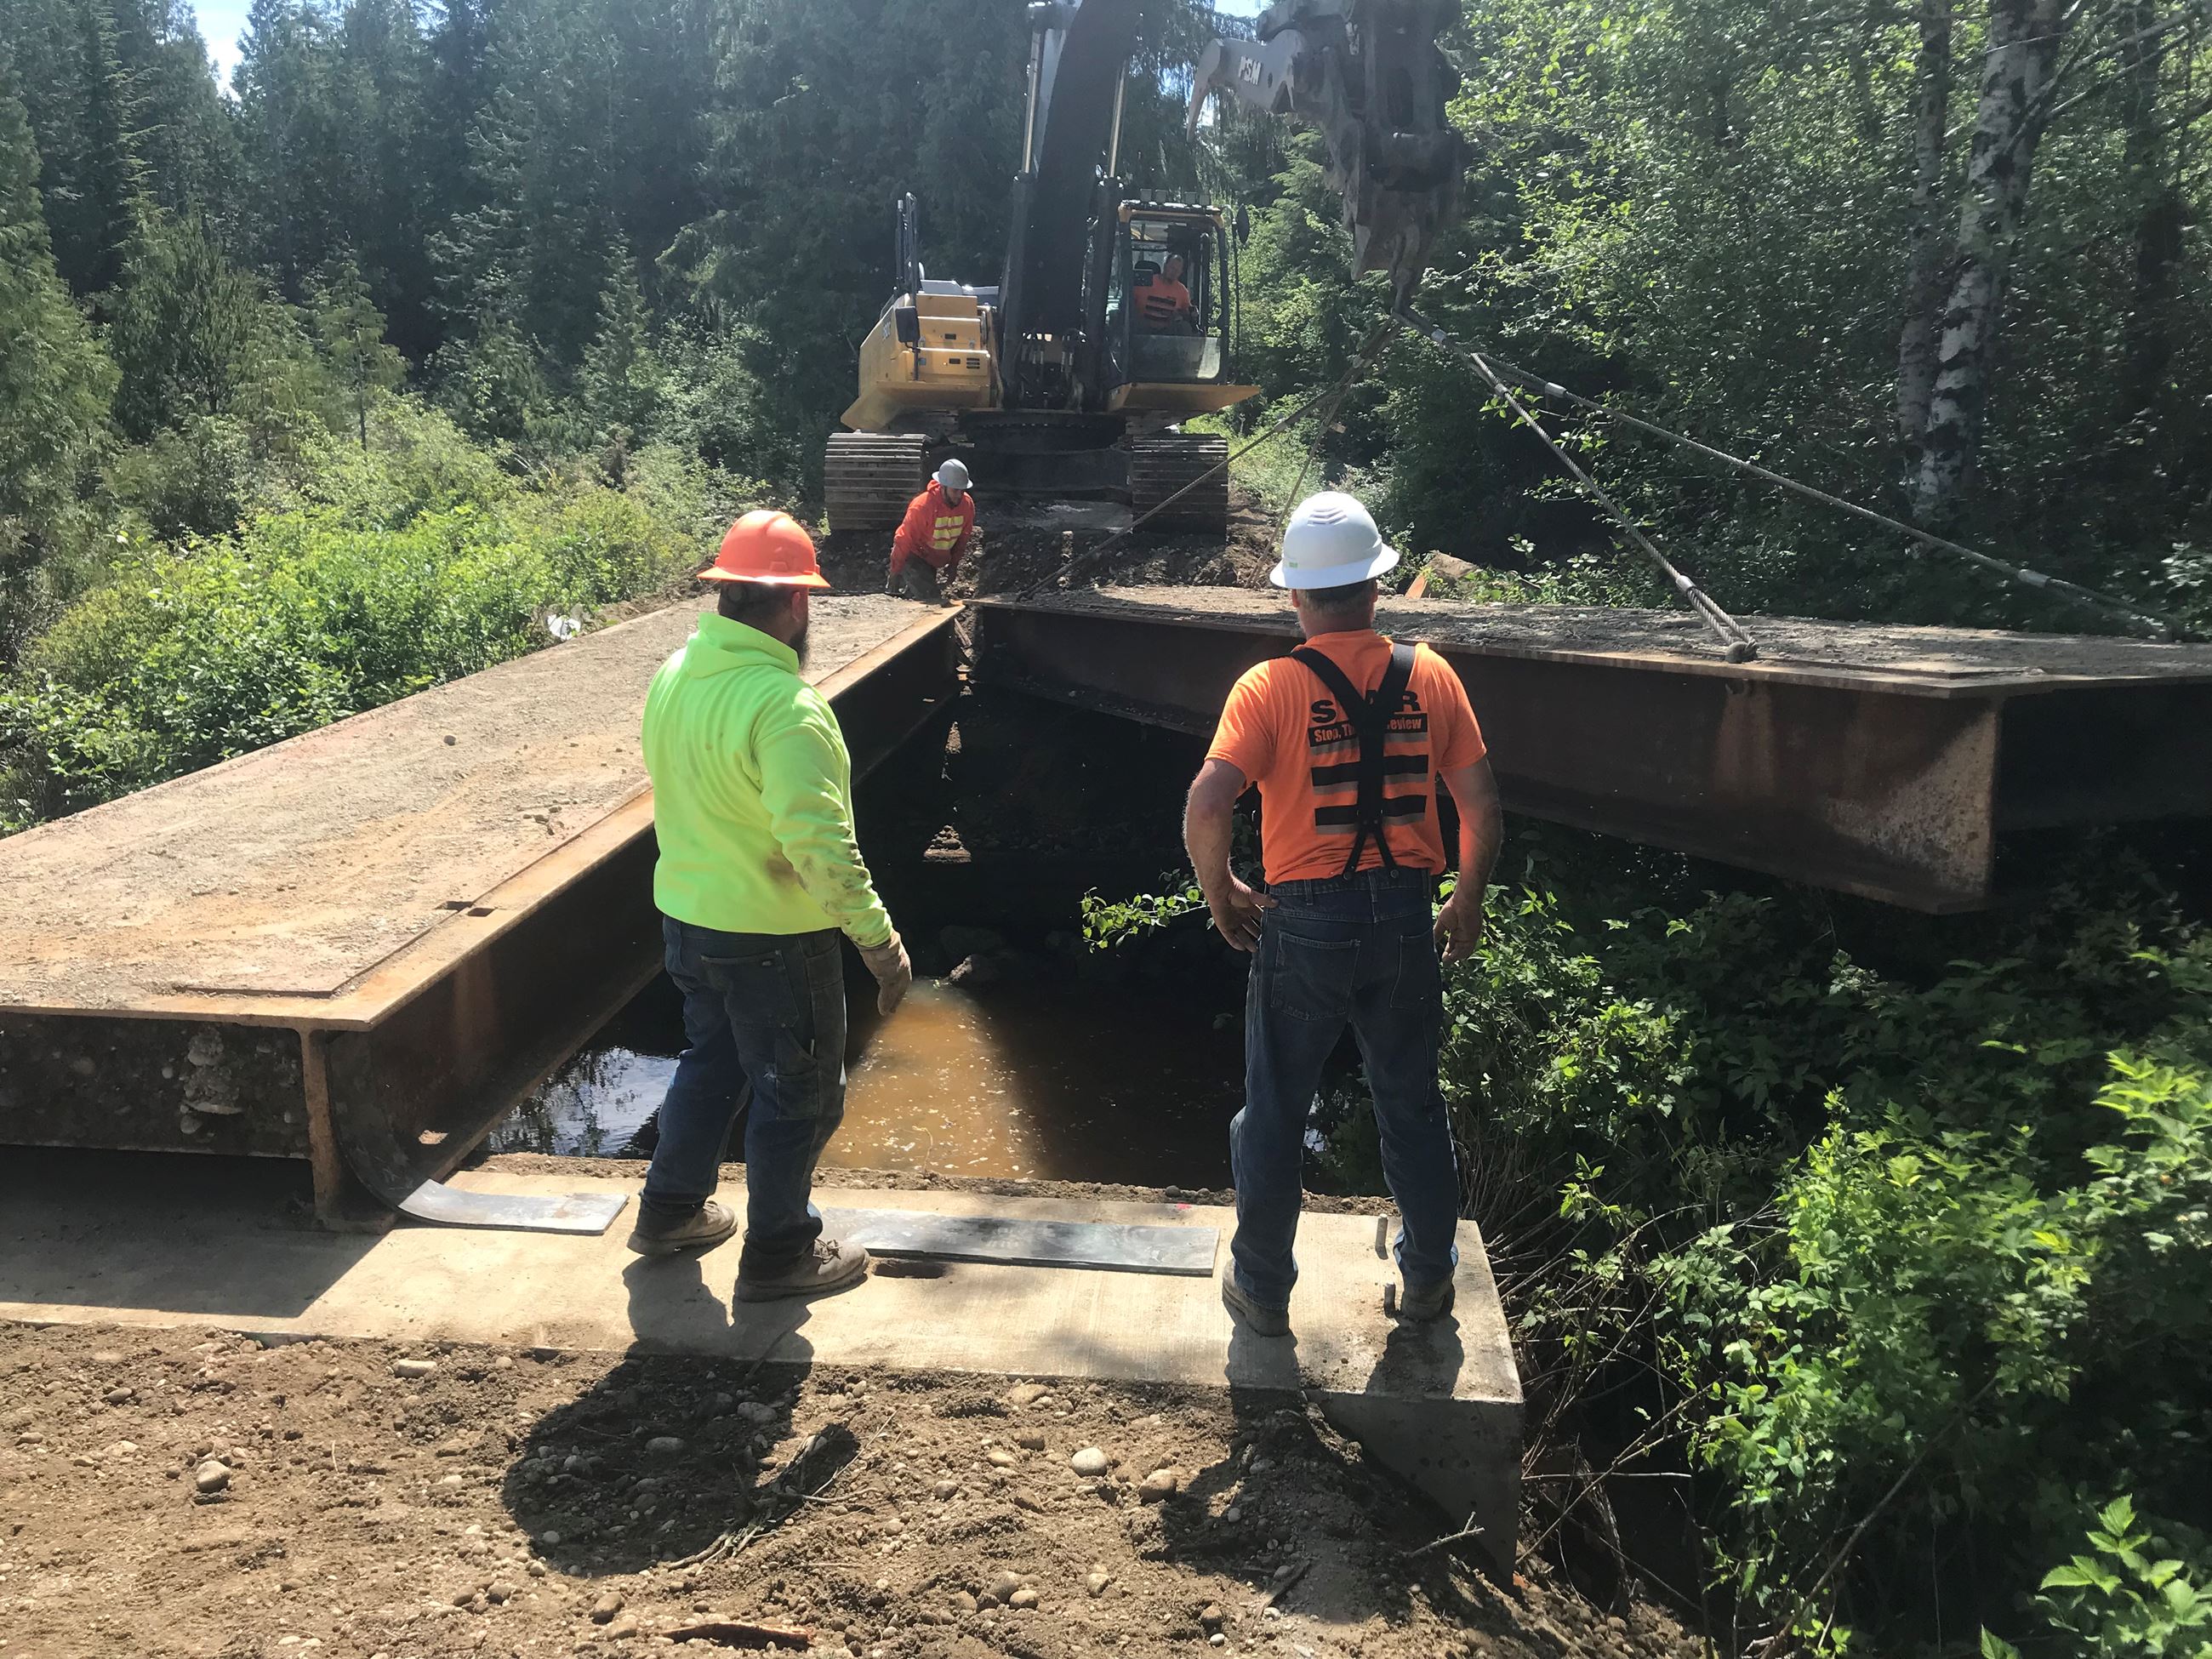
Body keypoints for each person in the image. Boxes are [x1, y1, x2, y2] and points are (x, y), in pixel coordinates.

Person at [1183, 492, 1503, 1337]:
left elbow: (1206, 804)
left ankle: (1259, 1288)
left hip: (1304, 924)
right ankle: (1429, 1282)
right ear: (1374, 585)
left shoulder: (1267, 687)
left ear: (1294, 595)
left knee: (1275, 1109)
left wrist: (1221, 893)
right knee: (1409, 1103)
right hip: (1403, 918)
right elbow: (1479, 807)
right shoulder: (1429, 675)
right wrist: (1462, 898)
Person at [630, 509, 915, 1300]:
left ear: (724, 594)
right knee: (799, 1096)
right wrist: (879, 941)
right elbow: (820, 847)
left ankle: (669, 1211)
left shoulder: (676, 674)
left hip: (691, 922)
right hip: (775, 941)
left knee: (712, 1065)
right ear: (797, 605)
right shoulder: (785, 706)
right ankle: (782, 1252)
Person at [887, 459, 975, 603]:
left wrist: (953, 565)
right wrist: (895, 572)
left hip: (932, 560)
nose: (959, 495)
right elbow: (904, 539)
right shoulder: (922, 506)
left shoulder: (967, 505)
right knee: (932, 599)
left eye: (962, 490)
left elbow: (963, 537)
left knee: (921, 600)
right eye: (955, 490)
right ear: (943, 486)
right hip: (915, 556)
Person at [1136, 253, 1192, 333]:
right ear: (1165, 266)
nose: (1174, 272)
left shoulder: (1182, 291)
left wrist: (1191, 313)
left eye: (1177, 270)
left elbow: (1186, 312)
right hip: (1141, 333)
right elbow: (1128, 305)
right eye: (1172, 268)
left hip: (1167, 337)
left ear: (1181, 273)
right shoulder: (1145, 283)